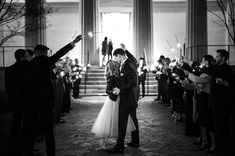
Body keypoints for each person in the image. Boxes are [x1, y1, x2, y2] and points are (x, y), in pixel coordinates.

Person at [21, 34, 83, 156]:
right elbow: (59, 53)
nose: (46, 54)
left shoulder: (29, 64)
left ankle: (29, 151)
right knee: (48, 129)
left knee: (31, 127)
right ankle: (51, 152)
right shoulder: (46, 62)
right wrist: (72, 43)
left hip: (32, 99)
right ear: (41, 52)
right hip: (45, 99)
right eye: (45, 52)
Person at [91, 60, 136, 149]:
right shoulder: (111, 76)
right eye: (116, 64)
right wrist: (114, 92)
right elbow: (107, 90)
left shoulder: (118, 75)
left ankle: (118, 142)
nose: (118, 64)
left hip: (119, 100)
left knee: (117, 121)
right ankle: (102, 141)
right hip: (112, 101)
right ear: (113, 66)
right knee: (107, 122)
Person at [108, 48, 140, 154]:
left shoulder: (128, 65)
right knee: (133, 120)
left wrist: (120, 90)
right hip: (131, 98)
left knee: (122, 122)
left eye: (116, 57)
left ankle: (119, 147)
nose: (115, 60)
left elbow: (133, 82)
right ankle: (135, 141)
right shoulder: (128, 63)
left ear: (120, 56)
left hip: (127, 99)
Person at [210, 49, 235, 156]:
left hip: (223, 104)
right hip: (215, 102)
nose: (215, 58)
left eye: (217, 57)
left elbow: (232, 85)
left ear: (223, 58)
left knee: (224, 129)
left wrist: (224, 82)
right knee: (218, 127)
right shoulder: (216, 68)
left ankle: (226, 151)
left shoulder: (228, 70)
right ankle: (220, 149)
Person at [5, 49, 28, 156]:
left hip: (15, 101)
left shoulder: (9, 69)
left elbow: (8, 88)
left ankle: (12, 147)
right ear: (21, 57)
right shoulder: (27, 68)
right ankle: (23, 149)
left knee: (16, 124)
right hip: (26, 101)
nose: (28, 58)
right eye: (26, 56)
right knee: (27, 126)